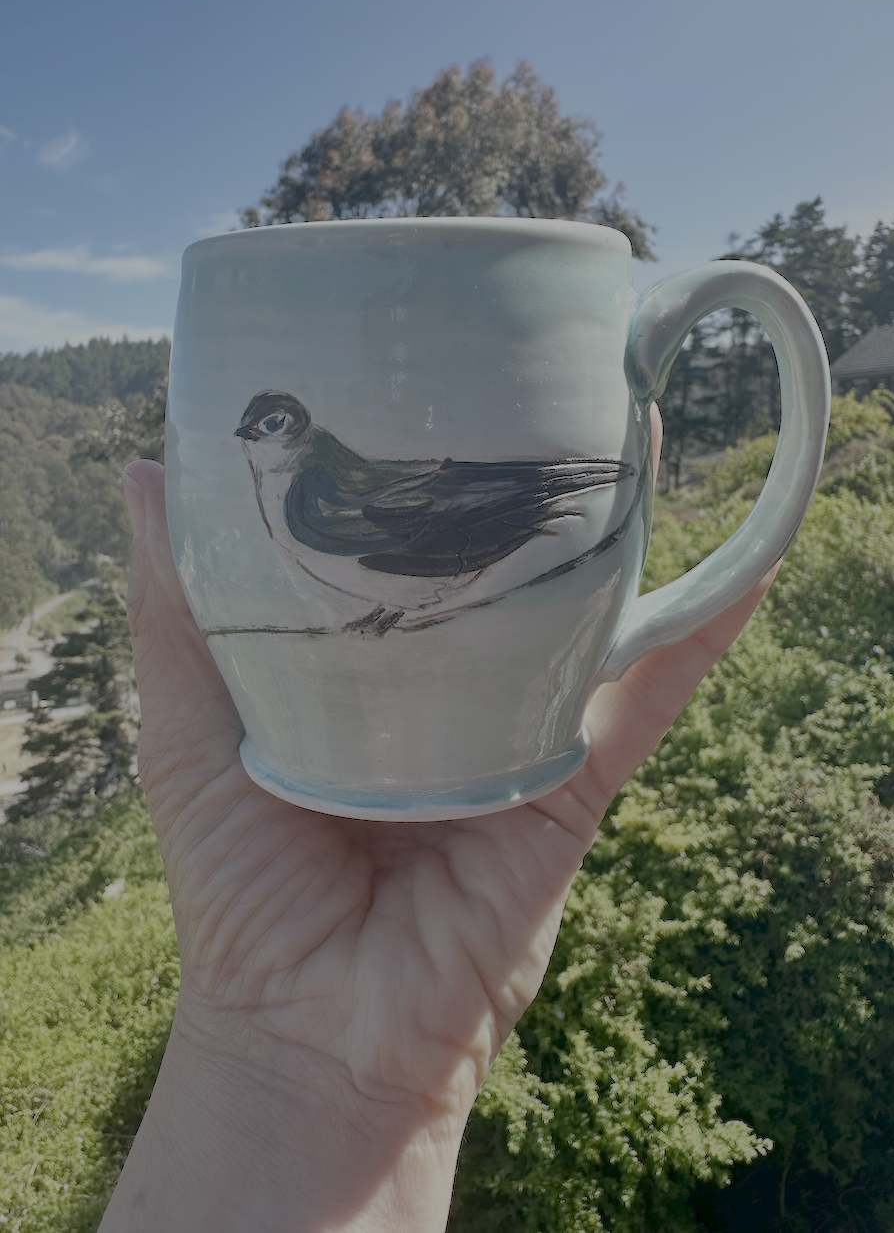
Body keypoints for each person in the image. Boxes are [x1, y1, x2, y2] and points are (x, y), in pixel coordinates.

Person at [98, 452, 775, 1233]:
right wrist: (280, 1043)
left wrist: (277, 1040)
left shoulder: (310, 495)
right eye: (257, 426)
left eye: (275, 423)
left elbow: (416, 528)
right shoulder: (300, 489)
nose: (257, 436)